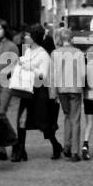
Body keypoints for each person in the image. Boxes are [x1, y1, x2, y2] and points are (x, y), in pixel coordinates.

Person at [24, 25, 62, 160]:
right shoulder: (28, 51)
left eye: (28, 35)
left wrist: (30, 68)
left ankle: (56, 145)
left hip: (41, 92)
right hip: (28, 90)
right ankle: (20, 150)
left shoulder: (43, 54)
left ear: (34, 37)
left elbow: (44, 75)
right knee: (25, 121)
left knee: (44, 123)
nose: (25, 37)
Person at [50, 28, 86, 161]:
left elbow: (52, 75)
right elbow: (83, 73)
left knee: (67, 116)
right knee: (75, 119)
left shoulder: (55, 53)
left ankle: (67, 145)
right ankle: (75, 151)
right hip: (75, 88)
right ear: (71, 39)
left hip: (61, 89)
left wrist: (53, 93)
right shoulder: (78, 53)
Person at [0, 20, 19, 162]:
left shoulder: (11, 46)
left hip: (6, 84)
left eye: (0, 28)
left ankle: (15, 141)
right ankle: (0, 149)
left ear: (5, 30)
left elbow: (14, 67)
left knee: (0, 113)